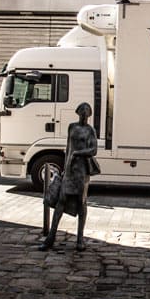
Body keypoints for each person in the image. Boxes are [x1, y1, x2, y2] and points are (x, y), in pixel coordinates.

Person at [40, 102, 99, 252]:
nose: (85, 114)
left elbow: (93, 150)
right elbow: (68, 147)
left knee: (81, 203)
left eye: (87, 112)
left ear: (90, 114)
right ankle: (50, 237)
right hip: (70, 169)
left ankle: (80, 239)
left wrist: (78, 153)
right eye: (82, 111)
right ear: (78, 112)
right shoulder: (72, 127)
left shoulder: (90, 130)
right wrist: (65, 167)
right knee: (61, 200)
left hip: (81, 171)